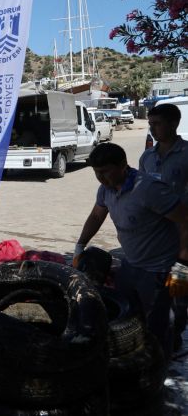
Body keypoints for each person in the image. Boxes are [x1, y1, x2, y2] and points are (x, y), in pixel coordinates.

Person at [74, 143, 188, 360]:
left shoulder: (148, 189)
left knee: (162, 324)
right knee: (126, 316)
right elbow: (97, 216)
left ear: (123, 166)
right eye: (96, 173)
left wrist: (183, 264)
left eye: (105, 171)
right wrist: (80, 245)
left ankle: (160, 367)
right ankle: (138, 356)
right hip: (131, 264)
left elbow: (185, 220)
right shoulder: (105, 190)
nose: (101, 178)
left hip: (164, 269)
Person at [139, 103, 188, 350]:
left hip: (183, 236)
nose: (152, 128)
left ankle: (176, 332)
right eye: (150, 124)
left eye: (157, 123)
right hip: (154, 238)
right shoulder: (147, 157)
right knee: (157, 289)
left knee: (179, 285)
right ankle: (160, 330)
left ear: (173, 124)